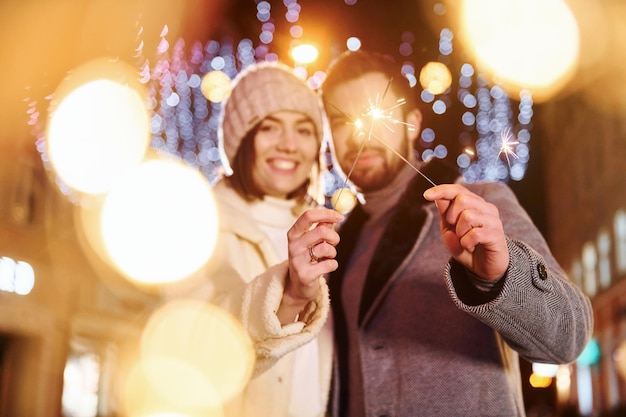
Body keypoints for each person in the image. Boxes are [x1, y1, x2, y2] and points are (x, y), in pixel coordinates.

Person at [316, 50, 594, 416]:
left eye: (373, 114)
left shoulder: (480, 205)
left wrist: (501, 276)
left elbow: (568, 336)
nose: (360, 135)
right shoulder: (336, 242)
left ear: (411, 123)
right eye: (340, 121)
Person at [170, 62, 343, 417]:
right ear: (241, 139)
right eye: (269, 127)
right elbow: (193, 347)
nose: (289, 144)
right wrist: (290, 296)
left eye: (304, 130)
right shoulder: (196, 225)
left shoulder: (333, 233)